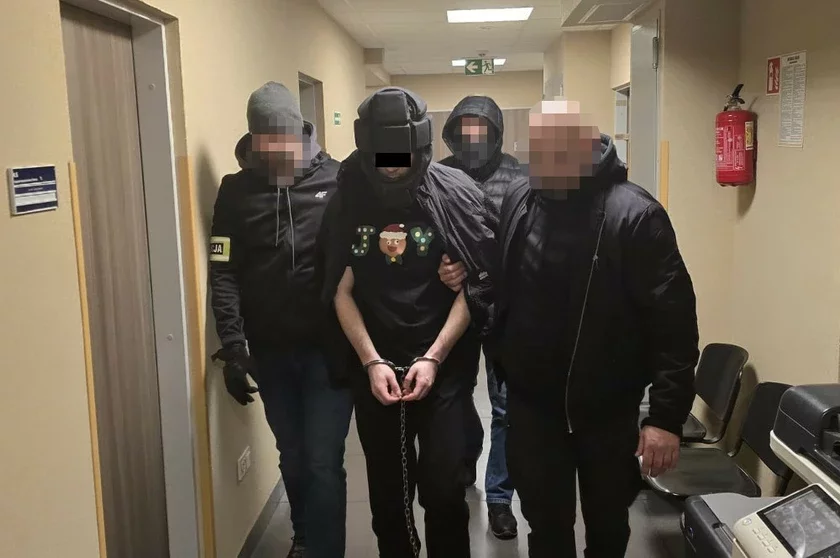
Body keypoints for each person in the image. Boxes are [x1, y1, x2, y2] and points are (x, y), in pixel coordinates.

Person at [492, 100, 699, 558]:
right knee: (545, 524)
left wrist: (665, 418)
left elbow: (674, 325)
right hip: (533, 407)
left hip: (606, 409)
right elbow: (505, 283)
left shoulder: (635, 214)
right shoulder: (520, 198)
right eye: (538, 154)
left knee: (607, 522)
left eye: (558, 154)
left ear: (588, 147)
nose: (544, 165)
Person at [318, 87, 496, 558]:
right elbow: (339, 289)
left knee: (445, 490)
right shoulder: (349, 199)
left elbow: (475, 290)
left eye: (401, 155)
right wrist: (371, 361)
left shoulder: (455, 194)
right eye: (383, 156)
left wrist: (434, 357)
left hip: (444, 369)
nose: (392, 166)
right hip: (376, 369)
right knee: (388, 499)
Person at [208, 81, 354, 558]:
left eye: (284, 140)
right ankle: (305, 537)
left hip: (329, 351)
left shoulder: (338, 179)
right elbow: (223, 270)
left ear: (300, 133)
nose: (277, 152)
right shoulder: (235, 191)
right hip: (269, 352)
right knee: (291, 456)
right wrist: (234, 347)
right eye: (265, 143)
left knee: (322, 461)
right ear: (253, 141)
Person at [438, 95, 520, 540]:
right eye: (463, 130)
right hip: (453, 308)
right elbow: (423, 236)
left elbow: (528, 241)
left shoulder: (521, 179)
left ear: (496, 133)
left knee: (505, 406)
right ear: (451, 134)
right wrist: (441, 267)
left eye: (481, 130)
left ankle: (500, 498)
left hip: (504, 308)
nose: (472, 139)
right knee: (456, 394)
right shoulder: (436, 176)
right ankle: (467, 454)